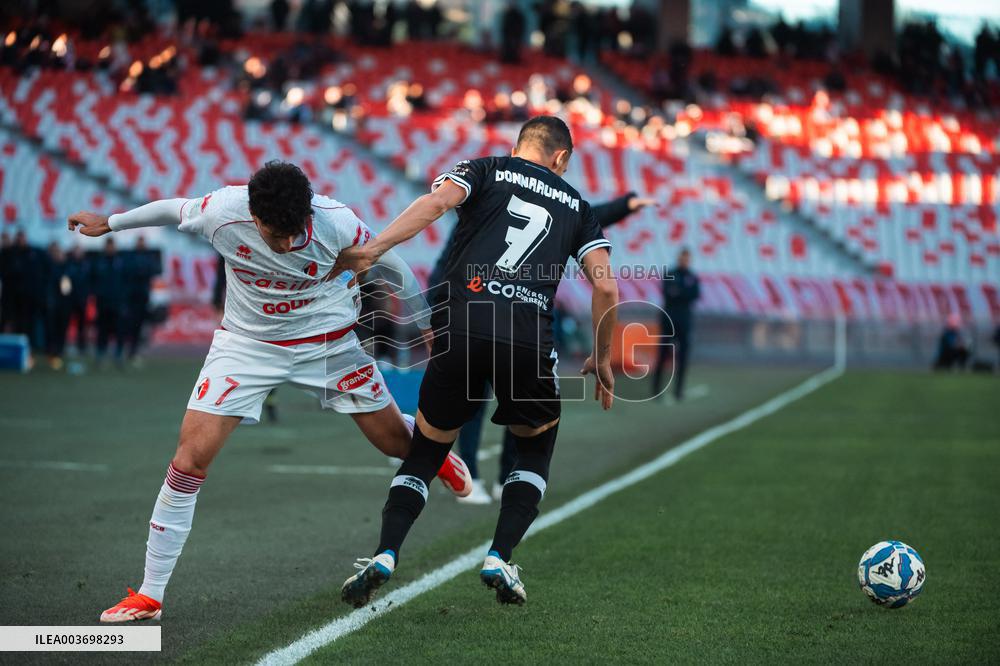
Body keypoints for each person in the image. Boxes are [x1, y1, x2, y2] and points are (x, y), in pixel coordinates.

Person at [67, 160, 473, 623]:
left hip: (328, 341)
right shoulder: (223, 210)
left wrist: (424, 323)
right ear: (254, 217)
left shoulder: (334, 219)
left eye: (293, 232)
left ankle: (435, 456)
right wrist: (112, 223)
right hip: (246, 345)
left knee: (397, 445)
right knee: (189, 459)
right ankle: (150, 593)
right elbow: (172, 208)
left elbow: (390, 258)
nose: (285, 244)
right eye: (274, 234)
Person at [336, 116, 618, 606]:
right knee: (534, 451)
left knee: (426, 450)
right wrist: (603, 353)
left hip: (461, 328)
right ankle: (499, 557)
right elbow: (608, 285)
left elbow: (436, 203)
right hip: (528, 340)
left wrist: (374, 249)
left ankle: (385, 553)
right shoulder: (578, 207)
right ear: (561, 158)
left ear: (520, 146)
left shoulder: (485, 168)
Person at [652, 247, 699, 400]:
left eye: (687, 258)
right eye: (682, 257)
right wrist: (683, 293)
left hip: (685, 320)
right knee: (663, 354)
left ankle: (679, 391)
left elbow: (694, 295)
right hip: (668, 319)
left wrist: (680, 292)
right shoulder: (670, 274)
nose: (684, 261)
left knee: (683, 356)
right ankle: (657, 390)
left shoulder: (692, 276)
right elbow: (669, 292)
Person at [122, 235, 161, 363]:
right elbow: (129, 271)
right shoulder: (131, 257)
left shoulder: (148, 257)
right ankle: (128, 349)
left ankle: (134, 350)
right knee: (129, 324)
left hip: (142, 297)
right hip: (131, 297)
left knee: (139, 325)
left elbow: (154, 270)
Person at [92, 237, 127, 366]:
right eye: (108, 246)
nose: (110, 248)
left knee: (119, 330)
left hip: (117, 302)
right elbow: (93, 280)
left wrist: (124, 299)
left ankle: (118, 354)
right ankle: (100, 354)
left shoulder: (121, 261)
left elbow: (126, 281)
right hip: (103, 302)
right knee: (102, 330)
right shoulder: (99, 262)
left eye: (112, 246)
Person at [44, 243, 74, 370]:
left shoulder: (67, 268)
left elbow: (68, 288)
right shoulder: (49, 267)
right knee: (51, 329)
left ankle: (59, 351)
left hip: (64, 304)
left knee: (62, 328)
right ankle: (51, 352)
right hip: (52, 304)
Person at [66, 246, 91, 354]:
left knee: (82, 324)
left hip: (82, 299)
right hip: (70, 298)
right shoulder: (68, 265)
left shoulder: (86, 265)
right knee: (66, 322)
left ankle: (82, 346)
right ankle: (65, 344)